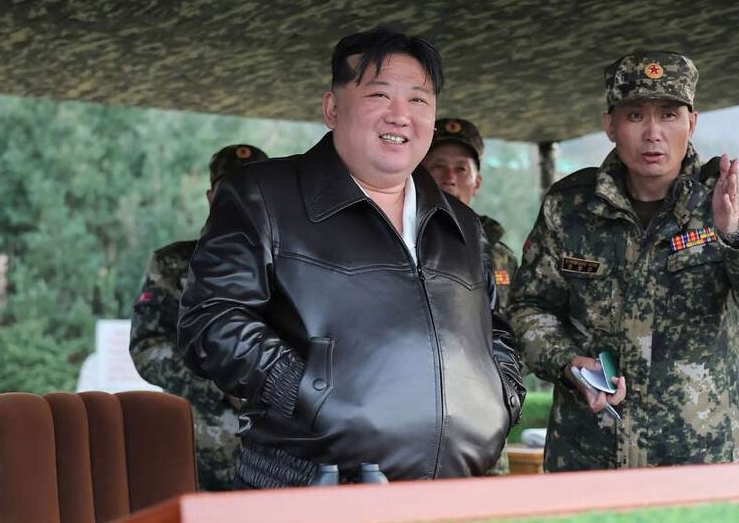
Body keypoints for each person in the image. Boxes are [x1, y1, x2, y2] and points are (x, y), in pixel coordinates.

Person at [178, 27, 524, 488]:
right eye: (380, 95)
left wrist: (504, 394)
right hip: (311, 490)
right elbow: (212, 319)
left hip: (452, 494)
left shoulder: (462, 223)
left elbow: (493, 330)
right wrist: (306, 393)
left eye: (418, 100)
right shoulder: (263, 196)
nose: (401, 116)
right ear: (332, 108)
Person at [509, 51, 739, 471]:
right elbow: (529, 308)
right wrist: (568, 361)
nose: (653, 134)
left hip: (702, 461)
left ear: (692, 123)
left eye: (669, 115)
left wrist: (736, 234)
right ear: (610, 125)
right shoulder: (570, 206)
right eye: (635, 116)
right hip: (589, 456)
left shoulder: (732, 194)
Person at [130, 143, 269, 491]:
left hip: (276, 466)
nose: (242, 198)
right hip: (195, 460)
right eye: (231, 188)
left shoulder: (295, 266)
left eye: (254, 188)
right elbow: (147, 347)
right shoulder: (173, 264)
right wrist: (219, 384)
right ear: (211, 196)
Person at [423, 117, 519, 317]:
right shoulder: (403, 243)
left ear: (477, 184)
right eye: (438, 166)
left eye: (461, 169)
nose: (450, 178)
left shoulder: (501, 257)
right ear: (419, 177)